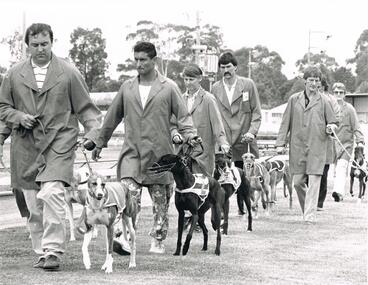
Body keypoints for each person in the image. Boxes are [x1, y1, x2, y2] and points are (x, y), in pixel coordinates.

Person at [0, 23, 102, 270]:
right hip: (25, 145)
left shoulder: (68, 72)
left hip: (60, 141)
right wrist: (17, 118)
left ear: (52, 43)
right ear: (28, 46)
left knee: (52, 193)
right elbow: (3, 108)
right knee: (33, 206)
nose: (40, 49)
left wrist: (94, 136)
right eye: (35, 45)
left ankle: (54, 251)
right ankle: (42, 251)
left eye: (44, 44)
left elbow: (87, 109)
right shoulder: (13, 74)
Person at [85, 41, 198, 254]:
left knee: (160, 203)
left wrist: (190, 136)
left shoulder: (169, 87)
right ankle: (123, 238)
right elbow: (112, 117)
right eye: (136, 59)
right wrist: (99, 141)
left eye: (143, 60)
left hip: (160, 156)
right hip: (132, 154)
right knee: (126, 197)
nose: (138, 64)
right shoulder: (127, 87)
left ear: (153, 60)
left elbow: (184, 117)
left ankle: (158, 239)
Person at [275, 66, 338, 223]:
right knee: (297, 182)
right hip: (298, 147)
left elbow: (333, 121)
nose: (314, 84)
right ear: (305, 81)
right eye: (311, 80)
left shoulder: (324, 100)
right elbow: (285, 123)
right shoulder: (293, 99)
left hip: (317, 147)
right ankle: (307, 211)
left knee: (314, 182)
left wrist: (331, 127)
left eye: (317, 81)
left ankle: (309, 216)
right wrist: (280, 143)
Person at [211, 51, 262, 215]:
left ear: (236, 68)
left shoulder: (248, 85)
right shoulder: (215, 88)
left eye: (228, 67)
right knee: (222, 179)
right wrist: (220, 139)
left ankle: (245, 210)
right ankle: (220, 211)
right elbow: (214, 116)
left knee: (245, 179)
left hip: (244, 140)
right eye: (222, 67)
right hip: (224, 141)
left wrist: (252, 133)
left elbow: (256, 112)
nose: (225, 70)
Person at [171, 63, 230, 175]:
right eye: (186, 79)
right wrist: (175, 135)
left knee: (201, 188)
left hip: (202, 155)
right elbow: (172, 124)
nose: (188, 83)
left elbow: (217, 124)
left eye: (191, 79)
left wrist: (223, 143)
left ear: (200, 79)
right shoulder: (180, 99)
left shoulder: (208, 99)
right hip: (182, 153)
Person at [330, 82, 365, 202]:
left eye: (341, 92)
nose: (338, 94)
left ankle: (338, 192)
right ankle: (338, 191)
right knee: (334, 169)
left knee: (342, 166)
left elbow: (356, 126)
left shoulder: (350, 109)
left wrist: (360, 141)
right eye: (336, 92)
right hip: (331, 144)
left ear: (344, 94)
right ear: (333, 94)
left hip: (346, 144)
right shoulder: (329, 107)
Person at [317, 77, 340, 211]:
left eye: (320, 86)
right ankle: (312, 197)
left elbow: (336, 119)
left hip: (326, 141)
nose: (317, 88)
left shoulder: (331, 100)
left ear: (324, 87)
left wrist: (331, 126)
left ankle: (319, 202)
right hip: (310, 143)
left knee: (323, 173)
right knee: (308, 174)